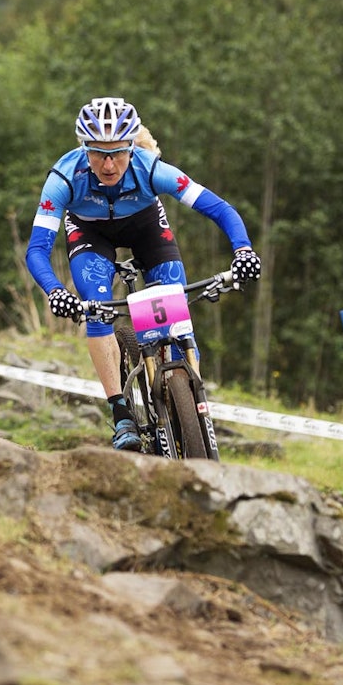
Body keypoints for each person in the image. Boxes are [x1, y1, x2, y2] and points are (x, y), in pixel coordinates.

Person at [25, 97, 262, 451]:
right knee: (96, 304)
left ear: (132, 147)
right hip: (90, 234)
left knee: (174, 300)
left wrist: (243, 250)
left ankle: (193, 393)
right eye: (98, 153)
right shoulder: (63, 178)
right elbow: (37, 250)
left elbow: (220, 208)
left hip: (145, 226)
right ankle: (121, 413)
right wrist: (55, 290)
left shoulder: (151, 169)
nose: (109, 164)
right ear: (84, 148)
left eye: (118, 153)